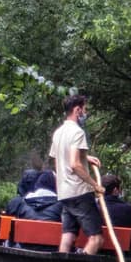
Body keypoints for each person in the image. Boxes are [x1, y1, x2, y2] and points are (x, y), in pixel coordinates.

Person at [47, 93, 101, 252]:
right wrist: (95, 185)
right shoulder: (77, 132)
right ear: (77, 110)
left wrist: (86, 156)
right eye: (85, 109)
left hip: (64, 193)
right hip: (80, 193)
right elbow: (74, 164)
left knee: (68, 236)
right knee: (96, 238)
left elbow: (59, 160)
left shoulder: (59, 132)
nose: (86, 113)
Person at [83, 174, 131, 255]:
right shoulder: (128, 208)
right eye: (119, 189)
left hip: (96, 250)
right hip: (120, 251)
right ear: (115, 190)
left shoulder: (91, 207)